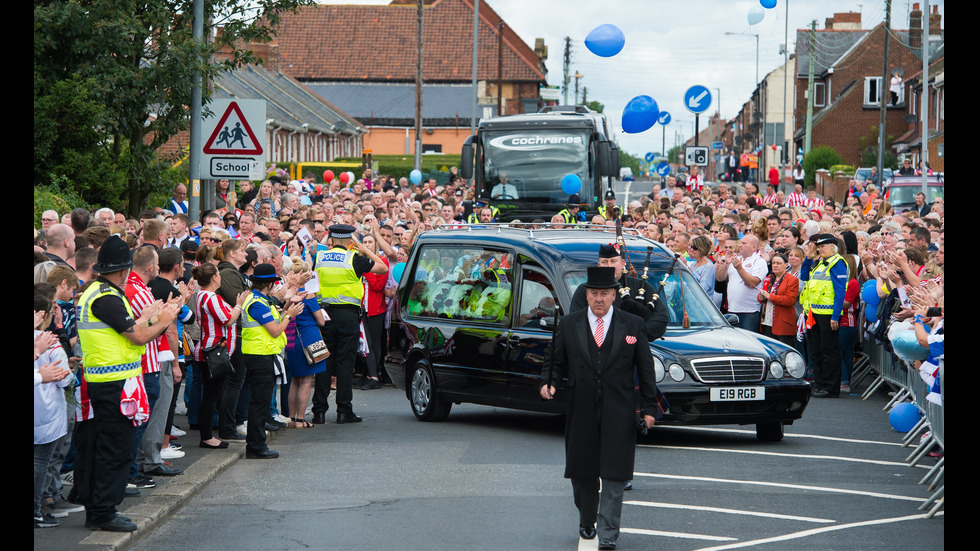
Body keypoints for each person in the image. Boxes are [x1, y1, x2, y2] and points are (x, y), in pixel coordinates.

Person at [540, 266, 662, 550]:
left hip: (619, 410)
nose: (599, 299)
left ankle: (608, 532)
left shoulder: (632, 324)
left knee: (615, 474)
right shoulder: (569, 323)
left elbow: (645, 370)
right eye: (593, 293)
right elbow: (554, 362)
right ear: (586, 294)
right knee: (582, 472)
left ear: (613, 295)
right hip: (580, 407)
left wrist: (649, 408)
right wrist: (549, 384)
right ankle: (586, 518)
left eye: (605, 293)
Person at [72, 235, 178, 532]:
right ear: (122, 271)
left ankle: (99, 507)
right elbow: (139, 337)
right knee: (115, 449)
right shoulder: (106, 297)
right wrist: (164, 320)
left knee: (102, 446)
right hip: (113, 384)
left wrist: (147, 317)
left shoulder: (99, 292)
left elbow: (128, 330)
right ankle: (103, 511)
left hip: (107, 382)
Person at [311, 224, 388, 424]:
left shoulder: (319, 257)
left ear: (331, 238)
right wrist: (364, 249)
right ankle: (344, 411)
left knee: (323, 361)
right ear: (349, 241)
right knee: (345, 363)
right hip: (347, 316)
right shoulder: (354, 258)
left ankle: (318, 411)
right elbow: (383, 267)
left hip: (323, 314)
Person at [240, 264, 304, 458]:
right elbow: (275, 330)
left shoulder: (260, 299)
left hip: (262, 354)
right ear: (269, 284)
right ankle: (256, 446)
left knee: (260, 402)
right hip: (260, 356)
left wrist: (285, 311)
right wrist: (290, 316)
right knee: (260, 403)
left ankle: (257, 445)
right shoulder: (257, 303)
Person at [191, 263, 248, 449]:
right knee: (210, 396)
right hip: (213, 351)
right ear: (215, 278)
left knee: (211, 395)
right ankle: (206, 437)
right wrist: (238, 305)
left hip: (213, 350)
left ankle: (207, 435)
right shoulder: (210, 297)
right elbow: (227, 319)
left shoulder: (204, 295)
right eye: (218, 274)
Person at [570, 244, 669, 342]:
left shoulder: (640, 286)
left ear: (622, 264)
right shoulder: (585, 290)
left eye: (613, 261)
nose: (609, 266)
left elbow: (661, 317)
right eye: (604, 262)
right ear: (599, 265)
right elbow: (576, 320)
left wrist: (637, 334)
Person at [798, 234, 847, 398]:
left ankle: (830, 388)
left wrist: (835, 315)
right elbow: (804, 276)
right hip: (813, 313)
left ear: (833, 246)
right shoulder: (819, 263)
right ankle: (819, 384)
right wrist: (808, 257)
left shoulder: (837, 262)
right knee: (816, 351)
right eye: (819, 246)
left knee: (829, 352)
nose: (820, 249)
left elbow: (840, 291)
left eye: (823, 246)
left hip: (828, 315)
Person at [283, 258, 327, 426]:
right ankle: (301, 419)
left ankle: (292, 418)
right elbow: (321, 321)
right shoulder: (308, 294)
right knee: (307, 380)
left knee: (294, 379)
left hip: (291, 337)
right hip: (310, 337)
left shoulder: (288, 293)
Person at [757, 253, 800, 349]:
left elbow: (789, 300)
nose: (775, 265)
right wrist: (761, 297)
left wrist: (770, 296)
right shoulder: (769, 278)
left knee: (784, 351)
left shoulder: (792, 280)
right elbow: (763, 296)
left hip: (783, 323)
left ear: (786, 265)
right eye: (773, 263)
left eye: (779, 263)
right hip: (767, 321)